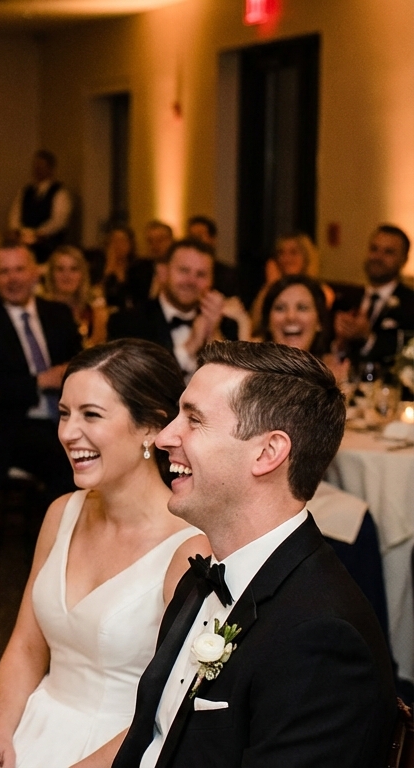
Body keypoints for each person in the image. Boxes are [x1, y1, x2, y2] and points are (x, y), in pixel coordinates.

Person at [0, 339, 206, 768]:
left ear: (151, 427)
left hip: (115, 746)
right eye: (64, 413)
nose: (68, 433)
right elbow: (27, 645)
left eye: (91, 414)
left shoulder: (187, 551)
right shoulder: (62, 512)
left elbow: (170, 709)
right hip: (30, 715)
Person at [113, 342, 396, 766]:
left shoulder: (322, 639)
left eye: (193, 420)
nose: (165, 436)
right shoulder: (203, 577)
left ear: (267, 453)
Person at [0, 242, 81, 504]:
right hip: (15, 427)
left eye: (19, 269)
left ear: (35, 273)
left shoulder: (58, 314)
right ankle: (57, 540)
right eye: (4, 272)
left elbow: (81, 363)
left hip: (68, 417)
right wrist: (40, 382)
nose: (14, 278)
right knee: (66, 461)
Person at [108, 239, 237, 380]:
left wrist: (214, 334)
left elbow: (236, 389)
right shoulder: (127, 322)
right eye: (184, 270)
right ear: (162, 272)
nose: (191, 281)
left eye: (201, 274)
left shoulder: (226, 325)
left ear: (212, 280)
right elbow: (133, 383)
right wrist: (190, 347)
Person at [332, 224, 414, 366]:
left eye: (388, 252)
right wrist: (341, 342)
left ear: (404, 259)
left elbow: (405, 356)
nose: (377, 257)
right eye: (374, 249)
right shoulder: (346, 300)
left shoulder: (410, 303)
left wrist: (368, 337)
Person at [248, 233, 333, 329]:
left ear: (306, 258)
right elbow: (254, 326)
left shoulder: (322, 291)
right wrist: (270, 285)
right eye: (281, 253)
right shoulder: (273, 288)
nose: (286, 259)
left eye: (293, 252)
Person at [8, 150, 71, 261]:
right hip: (24, 242)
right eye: (36, 166)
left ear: (51, 169)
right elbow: (15, 213)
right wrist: (17, 230)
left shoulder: (59, 192)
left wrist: (39, 233)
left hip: (48, 245)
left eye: (41, 167)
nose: (38, 170)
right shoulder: (25, 191)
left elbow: (59, 220)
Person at [43, 246, 108, 348]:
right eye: (60, 269)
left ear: (83, 274)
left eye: (74, 269)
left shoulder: (96, 315)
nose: (67, 275)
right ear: (51, 274)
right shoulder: (39, 314)